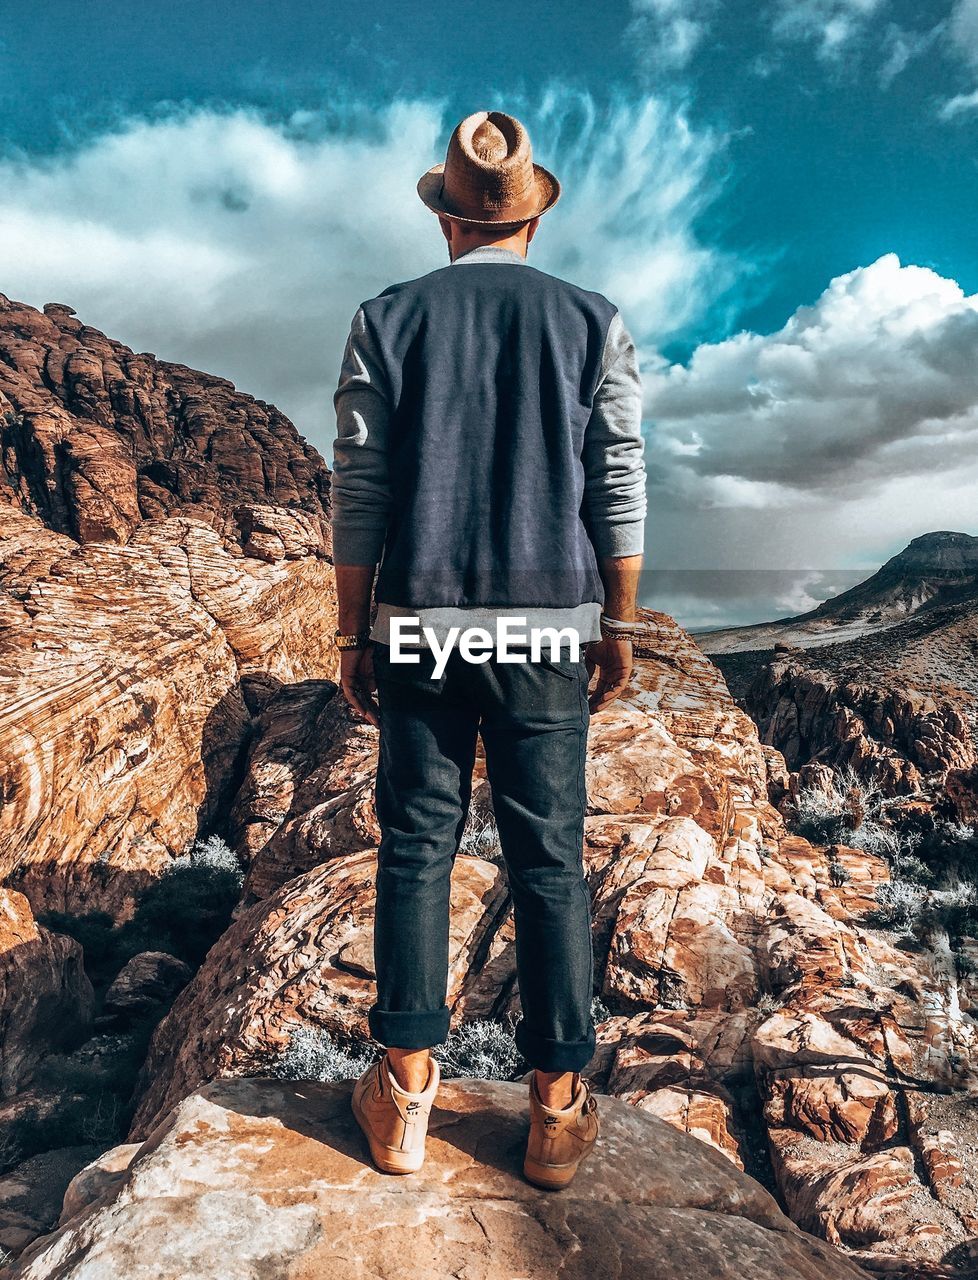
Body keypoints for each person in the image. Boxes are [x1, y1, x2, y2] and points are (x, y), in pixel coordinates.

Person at [331, 109, 646, 1189]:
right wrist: (621, 621)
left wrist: (349, 628)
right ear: (530, 218)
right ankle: (556, 1106)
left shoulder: (388, 318)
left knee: (416, 845)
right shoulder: (591, 320)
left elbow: (361, 489)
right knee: (548, 856)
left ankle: (405, 1091)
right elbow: (618, 482)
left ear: (447, 219)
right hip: (550, 624)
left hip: (418, 619)